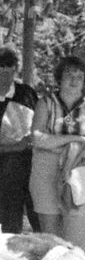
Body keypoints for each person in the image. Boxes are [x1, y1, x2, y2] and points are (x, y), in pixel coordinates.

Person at [27, 56, 85, 248]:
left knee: (76, 242)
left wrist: (60, 147)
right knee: (51, 241)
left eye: (79, 75)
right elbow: (37, 137)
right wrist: (75, 140)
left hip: (81, 173)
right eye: (69, 74)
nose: (74, 79)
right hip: (46, 173)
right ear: (59, 78)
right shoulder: (45, 103)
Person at [0, 45, 38, 235]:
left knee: (41, 224)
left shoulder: (27, 94)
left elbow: (42, 126)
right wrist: (17, 146)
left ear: (16, 68)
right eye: (0, 65)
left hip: (33, 170)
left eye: (9, 65)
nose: (5, 70)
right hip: (7, 176)